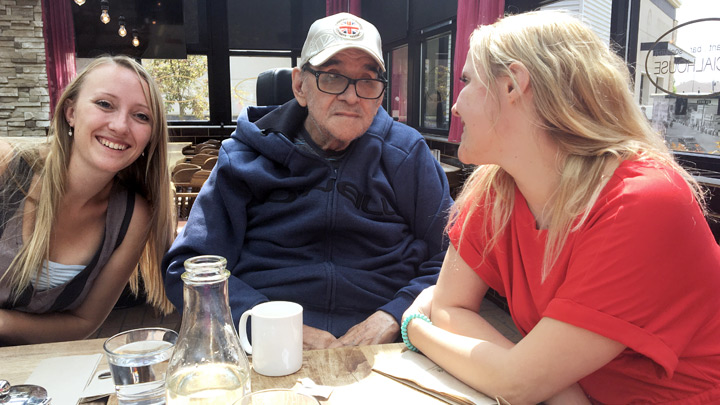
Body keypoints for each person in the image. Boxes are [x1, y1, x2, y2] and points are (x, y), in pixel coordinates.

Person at [401, 11, 720, 404]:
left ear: (513, 84)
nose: (454, 106)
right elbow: (453, 307)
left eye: (466, 81)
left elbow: (518, 383)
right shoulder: (497, 187)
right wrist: (551, 386)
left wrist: (415, 326)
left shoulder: (642, 201)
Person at [163, 12, 452, 349]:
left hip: (386, 348)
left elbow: (453, 260)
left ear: (381, 93)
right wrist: (267, 324)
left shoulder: (407, 155)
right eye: (332, 76)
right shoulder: (243, 158)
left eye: (368, 80)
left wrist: (394, 316)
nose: (352, 96)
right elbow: (188, 270)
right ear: (300, 85)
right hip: (266, 349)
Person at [0, 55, 176, 345]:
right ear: (70, 111)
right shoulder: (8, 166)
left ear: (151, 137)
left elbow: (84, 322)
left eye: (141, 116)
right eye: (105, 104)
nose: (120, 126)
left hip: (34, 372)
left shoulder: (132, 216)